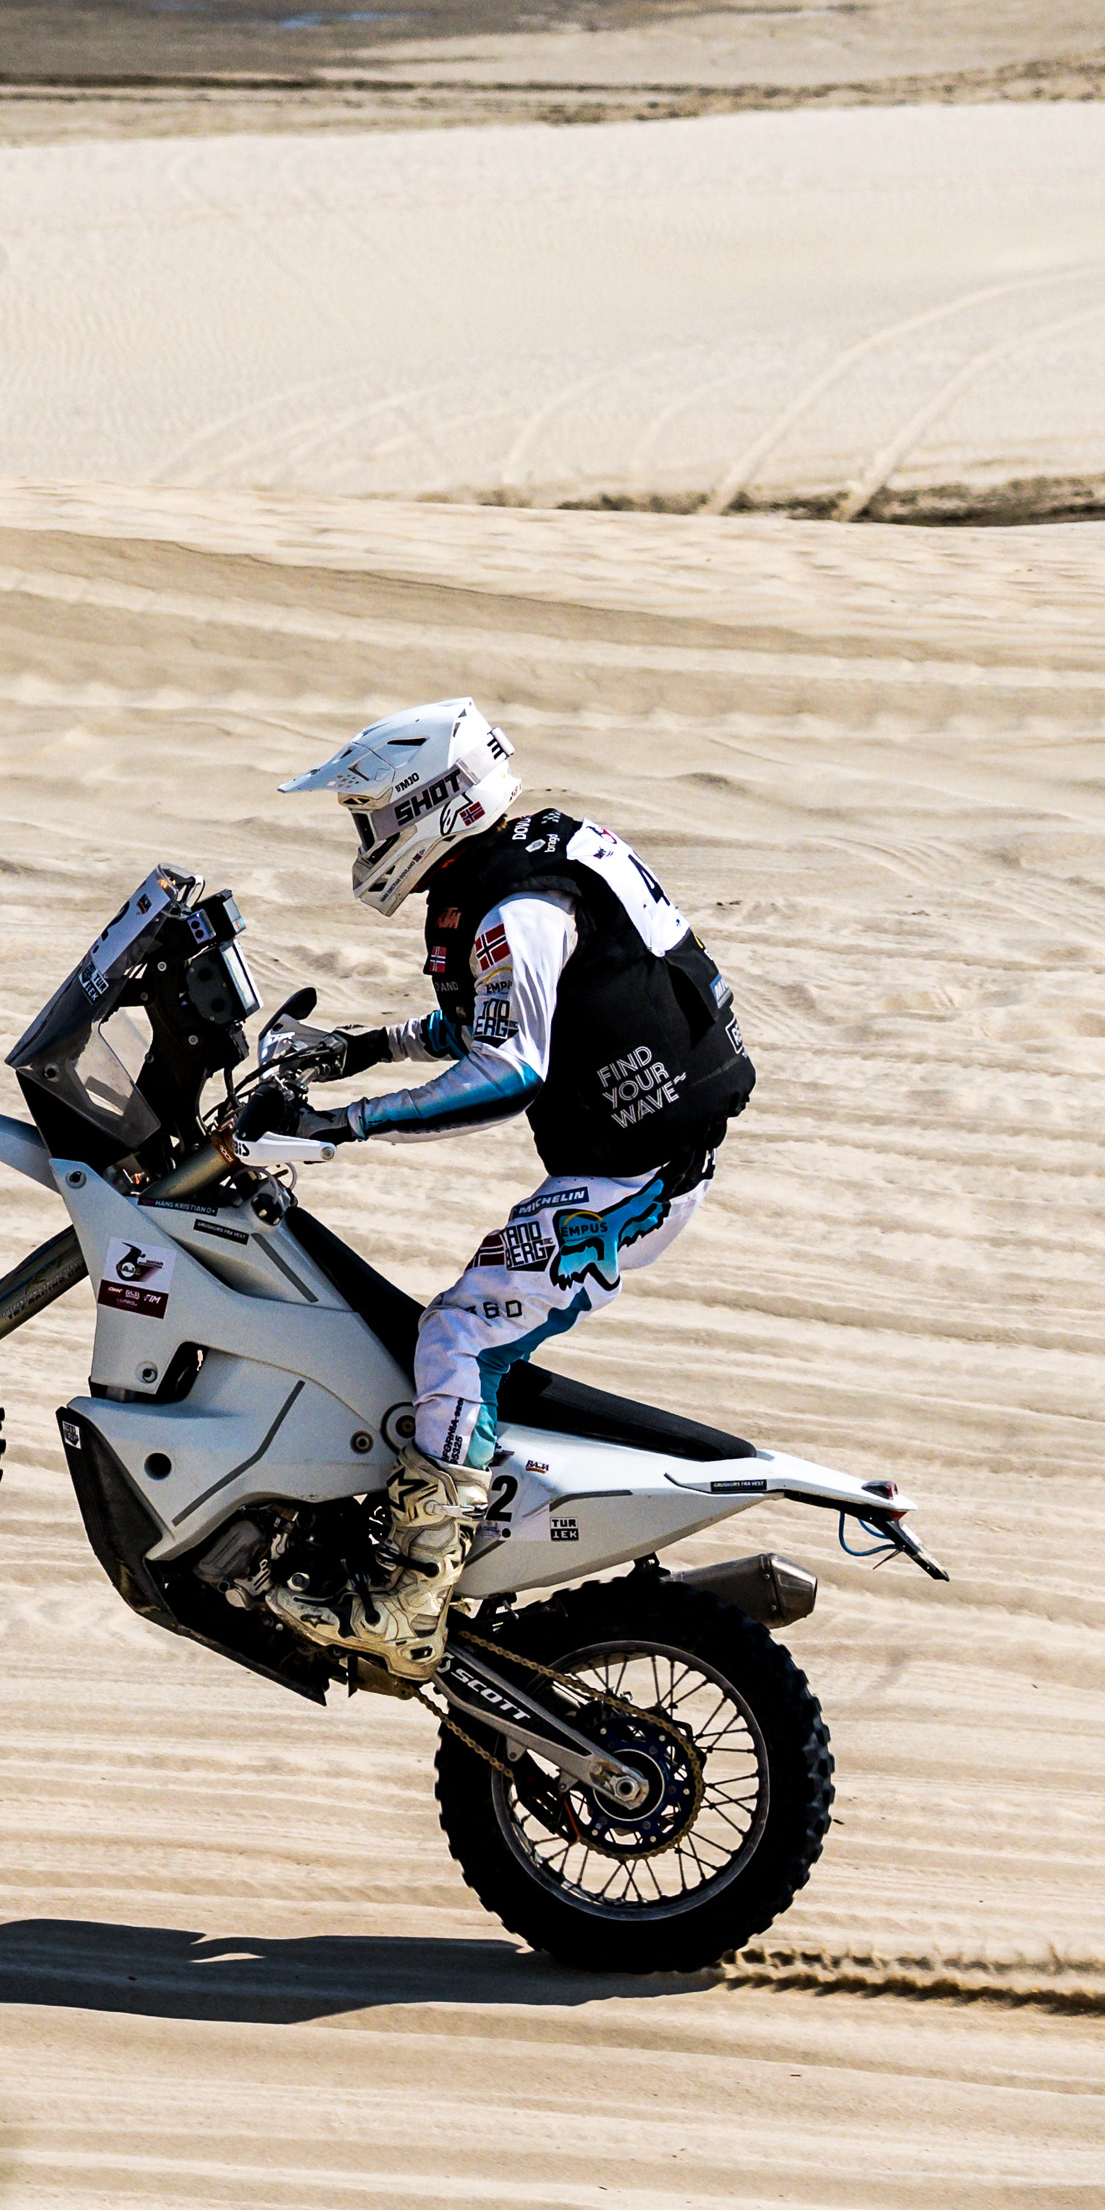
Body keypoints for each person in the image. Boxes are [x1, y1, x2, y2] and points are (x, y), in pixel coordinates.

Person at [246, 698, 753, 1680]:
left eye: (372, 816)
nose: (366, 838)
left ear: (429, 804)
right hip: (632, 1147)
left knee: (460, 1336)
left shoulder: (516, 903)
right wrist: (362, 1048)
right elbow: (504, 1009)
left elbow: (510, 1067)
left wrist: (343, 1124)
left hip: (637, 1174)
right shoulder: (511, 867)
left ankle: (409, 1596)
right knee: (448, 1327)